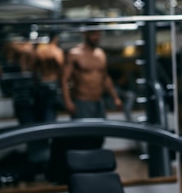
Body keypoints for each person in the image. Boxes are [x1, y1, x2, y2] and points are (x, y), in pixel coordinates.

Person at [47, 28, 122, 184]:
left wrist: (115, 97)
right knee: (83, 138)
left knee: (99, 137)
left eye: (99, 34)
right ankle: (80, 171)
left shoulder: (101, 54)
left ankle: (94, 168)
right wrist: (67, 101)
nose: (97, 37)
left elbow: (105, 77)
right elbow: (64, 79)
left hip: (98, 102)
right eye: (94, 33)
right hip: (81, 101)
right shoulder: (75, 54)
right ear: (85, 34)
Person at [33, 31, 64, 122]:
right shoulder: (57, 51)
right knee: (50, 110)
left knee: (45, 110)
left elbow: (34, 69)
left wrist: (36, 82)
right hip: (53, 83)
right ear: (56, 38)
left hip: (42, 81)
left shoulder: (40, 51)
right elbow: (61, 69)